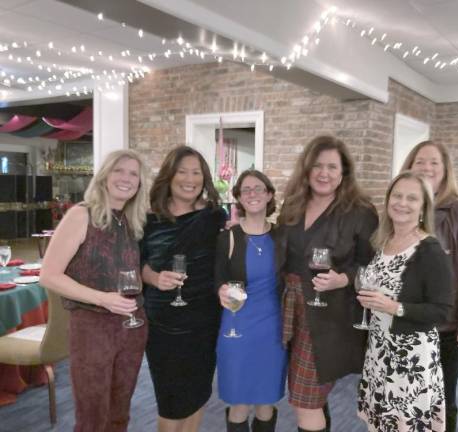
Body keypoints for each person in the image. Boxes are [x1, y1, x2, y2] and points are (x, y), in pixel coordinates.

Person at [40, 149, 150, 431]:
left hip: (132, 327)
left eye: (133, 174)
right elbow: (49, 275)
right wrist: (103, 299)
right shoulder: (81, 215)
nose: (126, 178)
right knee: (91, 418)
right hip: (92, 328)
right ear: (104, 176)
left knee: (119, 414)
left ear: (140, 183)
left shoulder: (132, 221)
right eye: (119, 170)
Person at [278, 135, 379, 432]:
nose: (324, 173)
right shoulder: (293, 205)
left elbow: (373, 266)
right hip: (289, 308)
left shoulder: (360, 212)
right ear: (306, 169)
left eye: (332, 167)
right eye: (318, 166)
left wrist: (344, 278)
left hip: (329, 316)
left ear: (343, 172)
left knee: (305, 399)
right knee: (313, 395)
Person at [357, 171, 454, 432]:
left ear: (423, 207)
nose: (402, 203)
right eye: (397, 195)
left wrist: (394, 307)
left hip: (410, 357)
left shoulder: (429, 249)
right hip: (379, 348)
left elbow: (442, 311)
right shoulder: (383, 241)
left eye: (412, 198)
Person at [141, 146, 226, 432]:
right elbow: (136, 263)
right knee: (171, 402)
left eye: (196, 173)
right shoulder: (148, 217)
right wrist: (154, 278)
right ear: (169, 175)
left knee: (198, 395)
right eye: (182, 172)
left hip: (205, 319)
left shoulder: (215, 216)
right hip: (164, 321)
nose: (190, 179)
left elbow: (226, 260)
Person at [401, 141, 458, 431]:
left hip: (443, 329)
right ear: (409, 166)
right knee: (406, 401)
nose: (426, 167)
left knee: (440, 405)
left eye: (434, 162)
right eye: (420, 161)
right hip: (404, 324)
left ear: (445, 169)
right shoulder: (402, 207)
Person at [215, 170, 288, 432]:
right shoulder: (229, 237)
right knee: (239, 403)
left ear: (269, 195)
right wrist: (221, 290)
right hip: (237, 326)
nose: (253, 194)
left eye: (259, 189)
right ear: (238, 197)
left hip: (272, 330)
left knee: (266, 402)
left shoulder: (281, 237)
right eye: (246, 190)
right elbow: (218, 279)